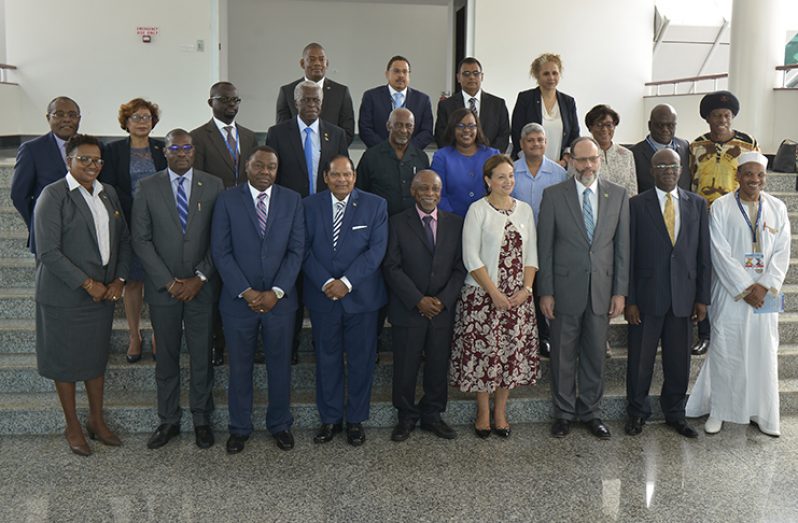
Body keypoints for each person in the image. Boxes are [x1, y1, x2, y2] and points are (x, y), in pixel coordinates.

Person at [33, 134, 130, 456]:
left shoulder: (108, 194)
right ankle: (72, 425)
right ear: (68, 160)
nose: (92, 165)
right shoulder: (54, 195)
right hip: (64, 296)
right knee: (65, 364)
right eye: (84, 159)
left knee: (94, 361)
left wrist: (118, 279)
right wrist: (88, 284)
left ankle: (97, 421)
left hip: (102, 297)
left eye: (97, 160)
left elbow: (124, 242)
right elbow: (48, 251)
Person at [131, 129, 224, 450]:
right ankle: (168, 419)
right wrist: (168, 281)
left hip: (202, 286)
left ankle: (202, 418)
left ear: (194, 151)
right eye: (175, 148)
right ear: (164, 151)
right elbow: (140, 240)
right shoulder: (147, 187)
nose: (182, 153)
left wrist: (200, 277)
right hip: (163, 289)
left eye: (187, 147)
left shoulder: (213, 185)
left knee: (201, 355)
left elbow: (220, 238)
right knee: (167, 356)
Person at [686, 152, 790, 437]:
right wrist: (745, 288)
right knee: (726, 349)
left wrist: (764, 285)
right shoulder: (720, 207)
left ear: (765, 178)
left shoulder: (778, 208)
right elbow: (718, 253)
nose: (754, 180)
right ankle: (720, 411)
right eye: (749, 174)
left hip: (766, 293)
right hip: (731, 291)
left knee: (764, 350)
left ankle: (763, 413)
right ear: (738, 176)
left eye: (760, 175)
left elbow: (782, 252)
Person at [211, 146, 305, 454]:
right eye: (259, 166)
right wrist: (247, 291)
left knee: (280, 365)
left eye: (272, 167)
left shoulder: (292, 200)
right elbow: (221, 252)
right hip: (239, 302)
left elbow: (296, 251)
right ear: (246, 167)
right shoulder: (226, 200)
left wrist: (277, 291)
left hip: (280, 302)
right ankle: (239, 428)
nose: (266, 172)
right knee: (239, 367)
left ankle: (280, 424)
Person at [537, 136, 629, 439]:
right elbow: (545, 247)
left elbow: (621, 248)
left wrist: (619, 291)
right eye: (581, 160)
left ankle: (591, 412)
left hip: (602, 291)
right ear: (570, 161)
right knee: (562, 355)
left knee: (594, 354)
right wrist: (546, 291)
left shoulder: (617, 195)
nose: (587, 165)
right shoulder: (553, 195)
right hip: (564, 290)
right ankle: (563, 413)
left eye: (593, 159)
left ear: (600, 160)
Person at [449, 154, 539, 439]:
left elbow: (532, 255)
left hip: (518, 298)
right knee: (484, 356)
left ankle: (501, 411)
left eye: (511, 176)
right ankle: (483, 411)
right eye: (501, 177)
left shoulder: (524, 210)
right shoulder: (478, 210)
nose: (507, 181)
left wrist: (526, 290)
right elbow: (471, 257)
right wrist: (494, 294)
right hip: (482, 296)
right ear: (488, 180)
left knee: (509, 356)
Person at [624, 148, 710, 439]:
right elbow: (630, 255)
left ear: (682, 169)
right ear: (651, 171)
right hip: (647, 298)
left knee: (678, 362)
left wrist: (702, 298)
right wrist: (630, 299)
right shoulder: (636, 205)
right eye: (661, 165)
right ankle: (637, 412)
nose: (668, 170)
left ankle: (675, 413)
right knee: (640, 362)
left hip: (684, 297)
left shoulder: (697, 204)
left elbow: (703, 256)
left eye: (673, 165)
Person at [303, 155, 388, 446]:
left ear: (355, 176)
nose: (342, 180)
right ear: (325, 177)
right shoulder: (308, 205)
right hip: (322, 295)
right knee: (327, 360)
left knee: (362, 362)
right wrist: (328, 282)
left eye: (347, 174)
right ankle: (329, 419)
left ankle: (355, 420)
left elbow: (375, 252)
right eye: (336, 175)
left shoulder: (375, 205)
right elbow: (302, 249)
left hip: (362, 298)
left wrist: (346, 283)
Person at [266, 80, 349, 364]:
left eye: (316, 100)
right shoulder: (278, 134)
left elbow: (342, 178)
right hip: (289, 216)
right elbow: (271, 177)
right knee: (291, 279)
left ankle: (319, 342)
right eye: (306, 100)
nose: (312, 105)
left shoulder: (336, 134)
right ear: (295, 102)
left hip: (325, 216)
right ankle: (289, 346)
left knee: (320, 274)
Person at [383, 170, 467, 442]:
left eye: (435, 189)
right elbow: (391, 267)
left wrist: (442, 300)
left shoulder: (455, 223)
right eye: (424, 189)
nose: (430, 194)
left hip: (442, 311)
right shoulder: (396, 223)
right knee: (405, 366)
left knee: (437, 365)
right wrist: (418, 299)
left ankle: (432, 414)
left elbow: (459, 268)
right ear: (413, 191)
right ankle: (406, 416)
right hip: (409, 309)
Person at [191, 81, 259, 367]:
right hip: (213, 216)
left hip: (247, 217)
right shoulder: (197, 136)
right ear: (211, 103)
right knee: (218, 287)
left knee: (247, 278)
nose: (231, 104)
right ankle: (219, 346)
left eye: (235, 100)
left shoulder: (250, 136)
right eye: (224, 99)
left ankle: (251, 344)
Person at [688, 90, 759, 357]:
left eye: (726, 115)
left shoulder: (748, 144)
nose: (722, 120)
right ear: (708, 118)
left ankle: (736, 328)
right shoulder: (695, 146)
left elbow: (757, 179)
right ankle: (705, 333)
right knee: (706, 273)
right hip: (703, 218)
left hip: (736, 217)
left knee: (736, 269)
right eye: (717, 115)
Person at [100, 98, 167, 363]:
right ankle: (134, 335)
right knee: (133, 281)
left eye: (147, 117)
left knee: (158, 279)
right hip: (127, 222)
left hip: (161, 224)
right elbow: (109, 186)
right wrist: (137, 208)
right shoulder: (113, 150)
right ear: (126, 123)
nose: (142, 122)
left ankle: (159, 335)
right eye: (136, 117)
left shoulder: (162, 149)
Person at [510, 122, 567, 358]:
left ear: (546, 143)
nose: (536, 144)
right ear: (522, 145)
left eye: (540, 140)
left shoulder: (559, 173)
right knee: (523, 289)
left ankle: (545, 337)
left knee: (545, 288)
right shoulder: (511, 170)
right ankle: (520, 338)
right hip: (517, 244)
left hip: (549, 242)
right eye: (531, 140)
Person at [12, 96, 82, 254]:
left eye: (72, 115)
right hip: (48, 235)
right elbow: (19, 195)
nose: (66, 120)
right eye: (59, 114)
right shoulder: (32, 150)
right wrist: (39, 223)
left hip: (84, 234)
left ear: (79, 119)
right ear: (48, 117)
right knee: (48, 278)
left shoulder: (91, 146)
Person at [275, 42, 355, 145]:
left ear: (327, 64)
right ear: (302, 63)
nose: (317, 63)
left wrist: (330, 151)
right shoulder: (287, 91)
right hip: (296, 156)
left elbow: (347, 132)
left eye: (321, 59)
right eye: (312, 59)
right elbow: (282, 131)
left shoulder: (341, 92)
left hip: (331, 157)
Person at [356, 108, 430, 217]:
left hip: (412, 224)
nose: (404, 130)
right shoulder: (371, 156)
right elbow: (359, 192)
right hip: (380, 221)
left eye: (408, 126)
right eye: (398, 125)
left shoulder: (421, 158)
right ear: (388, 126)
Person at [431, 108, 500, 217]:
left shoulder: (492, 155)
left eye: (471, 126)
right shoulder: (441, 157)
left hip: (488, 218)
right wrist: (453, 217)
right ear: (452, 129)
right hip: (453, 220)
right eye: (460, 126)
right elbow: (438, 194)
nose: (466, 130)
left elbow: (500, 190)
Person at [510, 53, 579, 162]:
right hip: (529, 165)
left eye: (555, 73)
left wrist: (565, 160)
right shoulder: (525, 99)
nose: (551, 77)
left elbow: (574, 136)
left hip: (561, 166)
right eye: (546, 74)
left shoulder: (568, 102)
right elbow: (516, 133)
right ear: (537, 76)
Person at [434, 57, 510, 152]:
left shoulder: (498, 104)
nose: (471, 77)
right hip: (456, 161)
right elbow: (441, 136)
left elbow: (503, 136)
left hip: (490, 161)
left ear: (482, 77)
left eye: (476, 73)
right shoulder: (446, 105)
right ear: (458, 77)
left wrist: (489, 158)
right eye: (466, 74)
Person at [358, 55, 434, 149]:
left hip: (412, 156)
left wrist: (408, 150)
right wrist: (385, 149)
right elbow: (365, 129)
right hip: (378, 155)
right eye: (396, 71)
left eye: (405, 72)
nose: (401, 75)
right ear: (387, 74)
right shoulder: (371, 97)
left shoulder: (423, 100)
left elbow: (427, 131)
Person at [630, 104, 691, 193]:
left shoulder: (685, 147)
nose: (665, 129)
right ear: (650, 125)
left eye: (670, 125)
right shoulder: (634, 153)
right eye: (659, 125)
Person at [586, 104, 637, 197]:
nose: (604, 129)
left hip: (622, 208)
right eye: (599, 125)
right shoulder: (582, 154)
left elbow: (632, 191)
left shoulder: (626, 155)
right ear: (590, 127)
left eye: (609, 125)